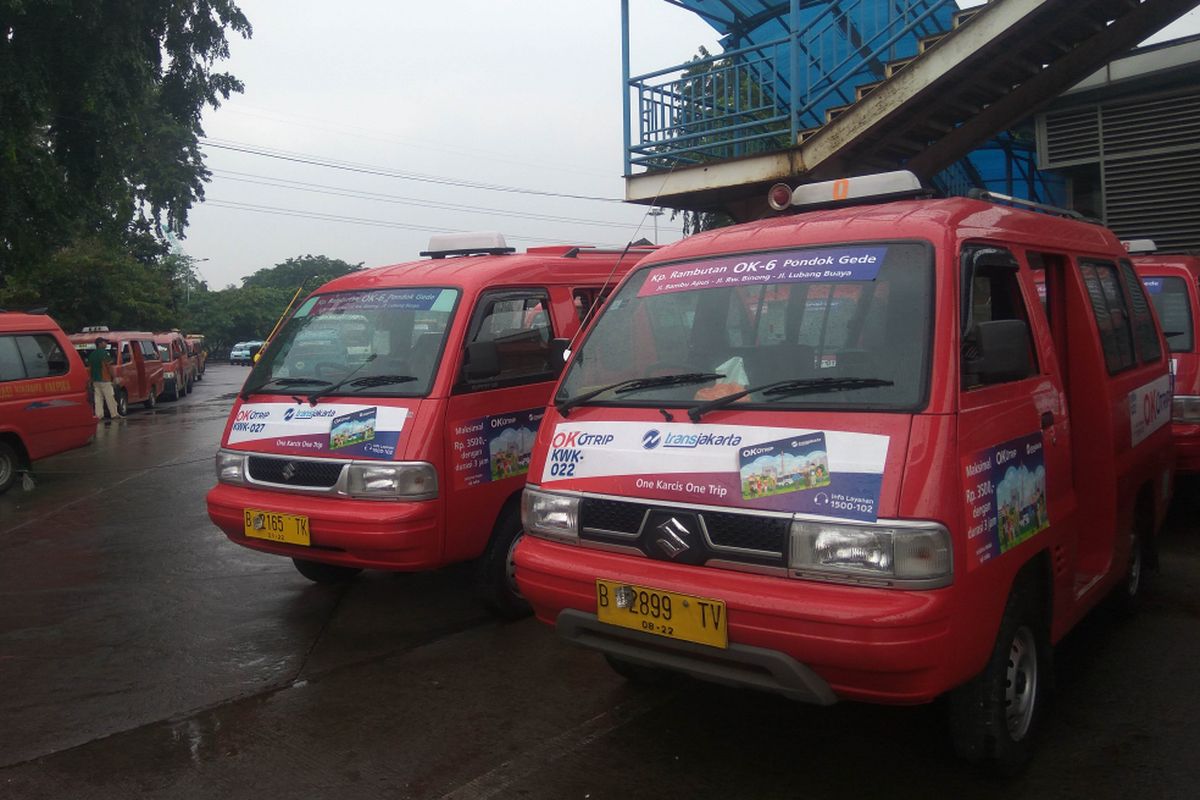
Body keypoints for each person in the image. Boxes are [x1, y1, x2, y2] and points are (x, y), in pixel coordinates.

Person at [87, 337, 122, 423]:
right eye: (104, 342)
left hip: (95, 380)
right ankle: (114, 414)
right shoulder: (105, 353)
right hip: (105, 379)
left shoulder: (92, 355)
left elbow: (90, 369)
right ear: (100, 344)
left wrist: (90, 380)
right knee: (109, 397)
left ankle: (99, 415)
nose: (106, 344)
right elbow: (109, 367)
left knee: (98, 399)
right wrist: (114, 377)